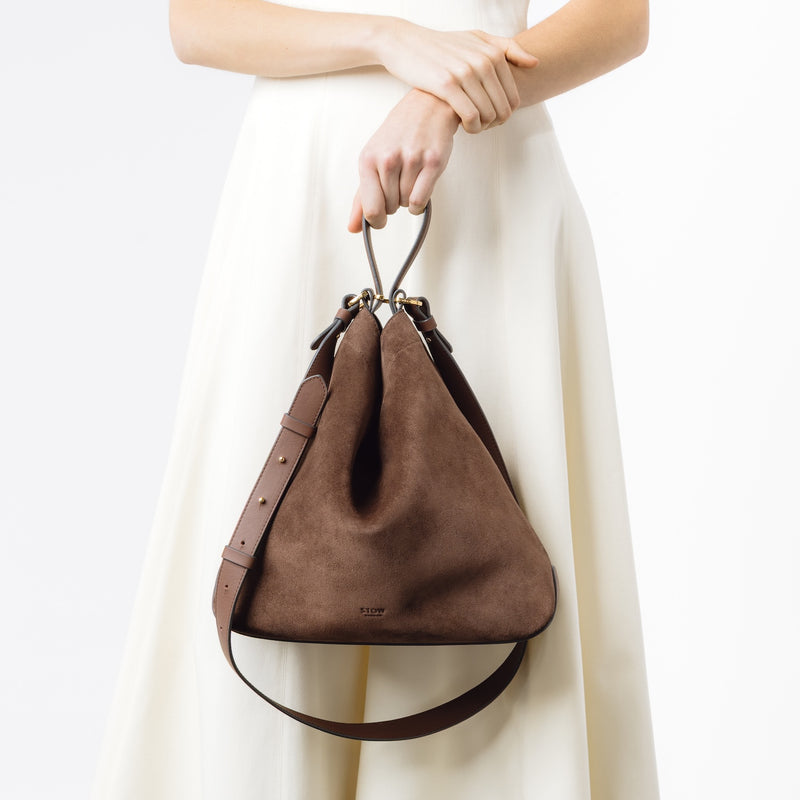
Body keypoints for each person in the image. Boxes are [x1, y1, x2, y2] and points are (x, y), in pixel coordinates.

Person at [92, 1, 659, 798]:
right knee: (274, 557)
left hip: (489, 166)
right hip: (303, 185)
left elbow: (620, 18)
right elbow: (198, 23)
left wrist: (443, 94)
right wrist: (392, 40)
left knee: (488, 557)